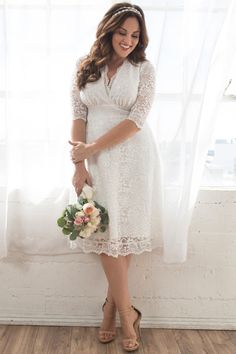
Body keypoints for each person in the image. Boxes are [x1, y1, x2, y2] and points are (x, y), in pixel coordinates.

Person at [69, 2, 163, 351]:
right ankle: (124, 310)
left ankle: (117, 311)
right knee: (105, 232)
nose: (128, 40)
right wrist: (79, 163)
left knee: (121, 235)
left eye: (135, 35)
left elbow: (137, 120)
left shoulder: (144, 69)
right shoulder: (84, 66)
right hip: (93, 160)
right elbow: (78, 113)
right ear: (108, 30)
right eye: (122, 32)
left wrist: (91, 148)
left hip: (133, 156)